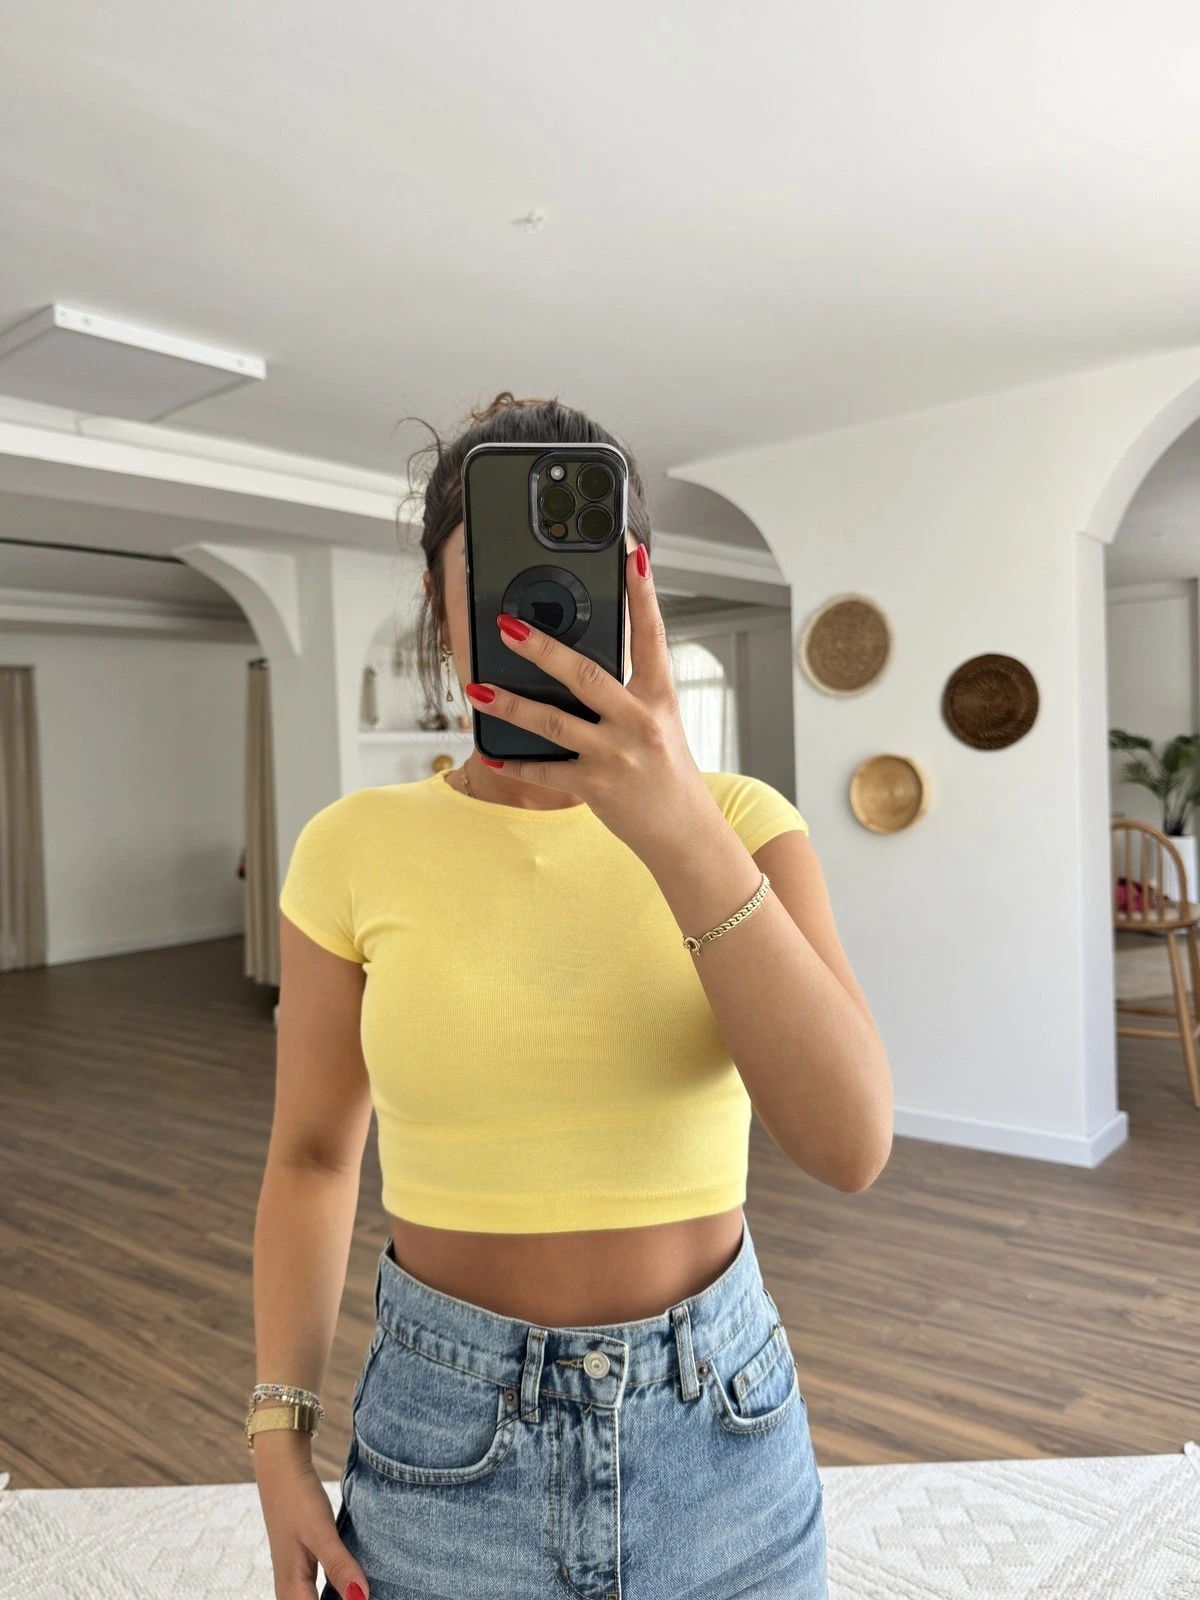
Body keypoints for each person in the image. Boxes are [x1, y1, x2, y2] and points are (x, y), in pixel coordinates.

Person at [248, 393, 892, 1600]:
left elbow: (850, 1144)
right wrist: (277, 1433)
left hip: (722, 1439)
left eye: (573, 569)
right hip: (444, 1444)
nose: (537, 605)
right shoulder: (350, 847)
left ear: (633, 592)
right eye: (492, 569)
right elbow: (313, 1157)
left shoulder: (742, 824)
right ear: (440, 606)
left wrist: (682, 831)